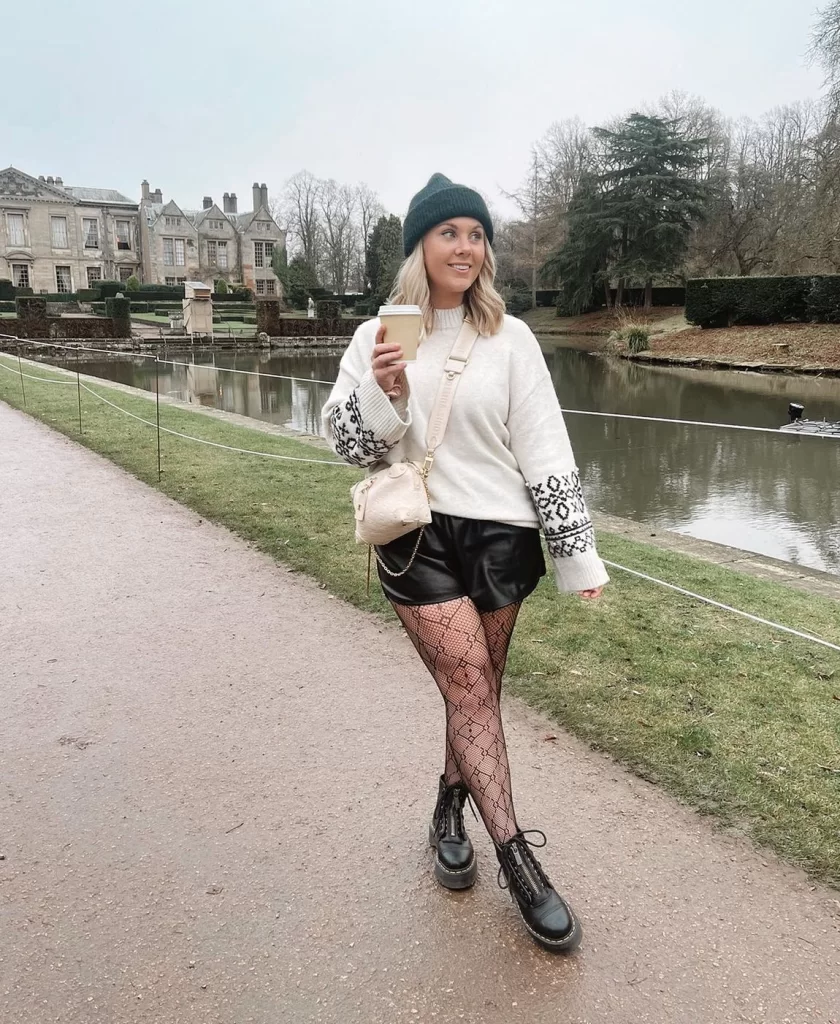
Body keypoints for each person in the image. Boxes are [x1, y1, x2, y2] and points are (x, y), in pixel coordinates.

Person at [322, 173, 609, 953]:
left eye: (476, 234)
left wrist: (576, 555)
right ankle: (519, 858)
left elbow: (547, 448)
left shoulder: (509, 337)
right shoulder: (383, 333)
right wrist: (383, 392)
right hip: (416, 535)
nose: (466, 246)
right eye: (449, 232)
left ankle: (450, 805)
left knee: (476, 688)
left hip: (502, 538)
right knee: (470, 683)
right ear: (421, 245)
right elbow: (348, 444)